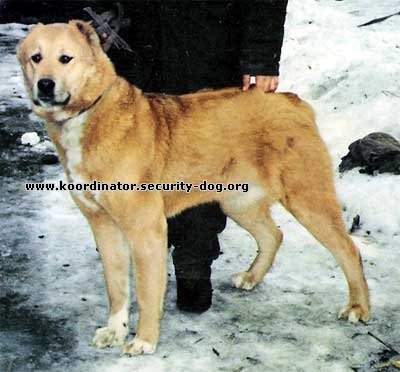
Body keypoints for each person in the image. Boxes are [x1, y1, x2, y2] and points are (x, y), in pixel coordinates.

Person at [2, 0, 288, 313]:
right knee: (125, 160)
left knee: (201, 155)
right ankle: (141, 250)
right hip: (133, 42)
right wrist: (90, 16)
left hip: (209, 41)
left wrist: (261, 58)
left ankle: (194, 257)